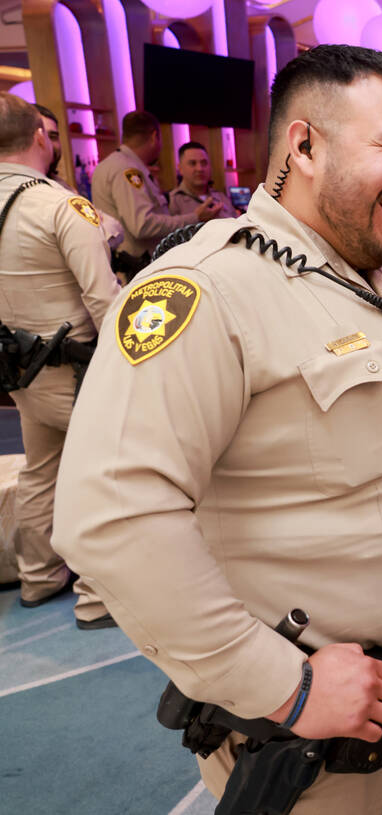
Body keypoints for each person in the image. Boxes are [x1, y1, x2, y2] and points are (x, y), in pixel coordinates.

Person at [53, 45, 382, 815]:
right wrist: (288, 684)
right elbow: (110, 514)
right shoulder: (209, 289)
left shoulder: (377, 280)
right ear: (305, 145)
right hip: (313, 731)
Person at [0, 93, 121, 627]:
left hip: (18, 372)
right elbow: (105, 303)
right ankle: (97, 597)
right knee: (101, 477)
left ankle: (38, 575)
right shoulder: (58, 205)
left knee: (41, 472)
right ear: (41, 138)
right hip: (77, 370)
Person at [91, 111, 221, 278]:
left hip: (128, 265)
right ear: (154, 137)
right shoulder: (127, 170)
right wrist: (195, 217)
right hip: (134, 268)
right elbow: (142, 225)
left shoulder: (111, 164)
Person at [33, 103, 124, 250]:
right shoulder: (26, 190)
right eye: (42, 136)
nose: (49, 144)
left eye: (53, 136)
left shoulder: (61, 185)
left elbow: (114, 227)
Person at [167, 141, 237, 219]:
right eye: (193, 163)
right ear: (180, 168)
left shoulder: (221, 197)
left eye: (204, 163)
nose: (200, 169)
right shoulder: (172, 201)